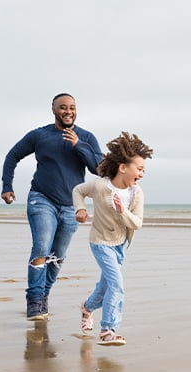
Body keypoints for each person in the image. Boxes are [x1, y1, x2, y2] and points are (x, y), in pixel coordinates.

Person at [1, 93, 103, 321]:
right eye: (63, 107)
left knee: (58, 257)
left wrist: (80, 145)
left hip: (71, 205)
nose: (68, 111)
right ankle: (35, 300)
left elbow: (99, 168)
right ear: (54, 110)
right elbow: (12, 156)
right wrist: (7, 185)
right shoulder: (40, 135)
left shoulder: (86, 137)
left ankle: (44, 294)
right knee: (41, 248)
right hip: (41, 199)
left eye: (72, 107)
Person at [72, 131, 153, 346]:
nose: (142, 174)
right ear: (123, 167)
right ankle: (108, 329)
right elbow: (78, 190)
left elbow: (137, 223)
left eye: (144, 170)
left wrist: (122, 211)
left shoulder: (137, 193)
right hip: (99, 242)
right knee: (117, 284)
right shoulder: (100, 186)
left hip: (120, 245)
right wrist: (80, 209)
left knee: (104, 286)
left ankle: (87, 308)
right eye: (140, 169)